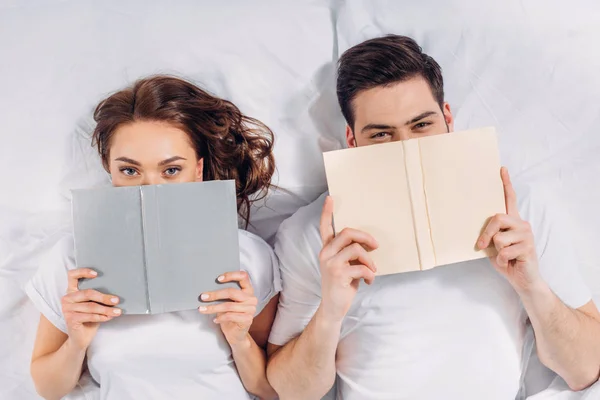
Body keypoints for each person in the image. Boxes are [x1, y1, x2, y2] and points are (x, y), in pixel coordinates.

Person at [266, 35, 600, 399]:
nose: (407, 148)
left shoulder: (520, 208)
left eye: (422, 125)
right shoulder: (310, 233)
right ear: (352, 140)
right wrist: (330, 312)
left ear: (448, 119)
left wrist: (532, 285)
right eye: (381, 134)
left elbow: (585, 369)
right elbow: (289, 391)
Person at [26, 75, 280, 400]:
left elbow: (271, 391)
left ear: (198, 170)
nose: (150, 189)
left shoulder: (248, 256)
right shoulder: (73, 258)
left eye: (171, 170)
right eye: (130, 171)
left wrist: (239, 337)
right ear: (109, 169)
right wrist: (77, 341)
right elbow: (48, 389)